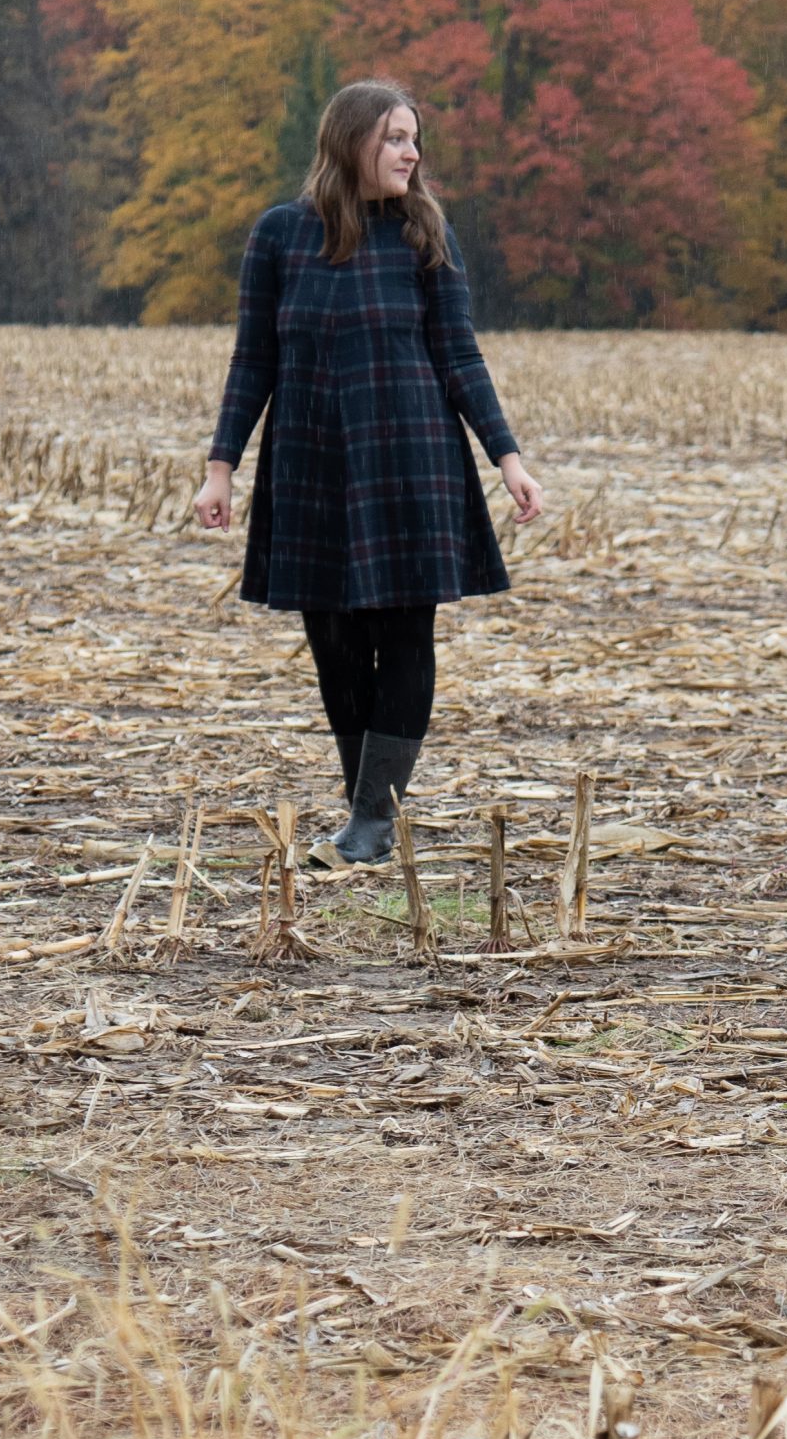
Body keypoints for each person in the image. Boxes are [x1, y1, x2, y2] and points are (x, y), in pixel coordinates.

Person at [196, 79, 542, 864]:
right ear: (348, 140)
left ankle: (371, 822)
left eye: (414, 138)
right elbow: (253, 359)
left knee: (403, 631)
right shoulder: (280, 235)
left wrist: (507, 458)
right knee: (333, 640)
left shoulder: (424, 234)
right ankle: (368, 811)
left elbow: (459, 356)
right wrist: (220, 467)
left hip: (410, 454)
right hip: (311, 460)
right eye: (393, 137)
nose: (411, 152)